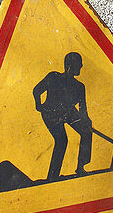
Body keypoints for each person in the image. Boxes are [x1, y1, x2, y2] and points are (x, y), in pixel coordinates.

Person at [33, 52, 93, 182]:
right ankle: (53, 176)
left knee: (86, 131)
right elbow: (36, 90)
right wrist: (39, 105)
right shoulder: (53, 77)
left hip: (68, 112)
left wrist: (86, 121)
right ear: (70, 65)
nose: (81, 66)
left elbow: (83, 109)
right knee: (62, 141)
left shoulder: (79, 87)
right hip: (52, 114)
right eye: (79, 63)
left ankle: (81, 167)